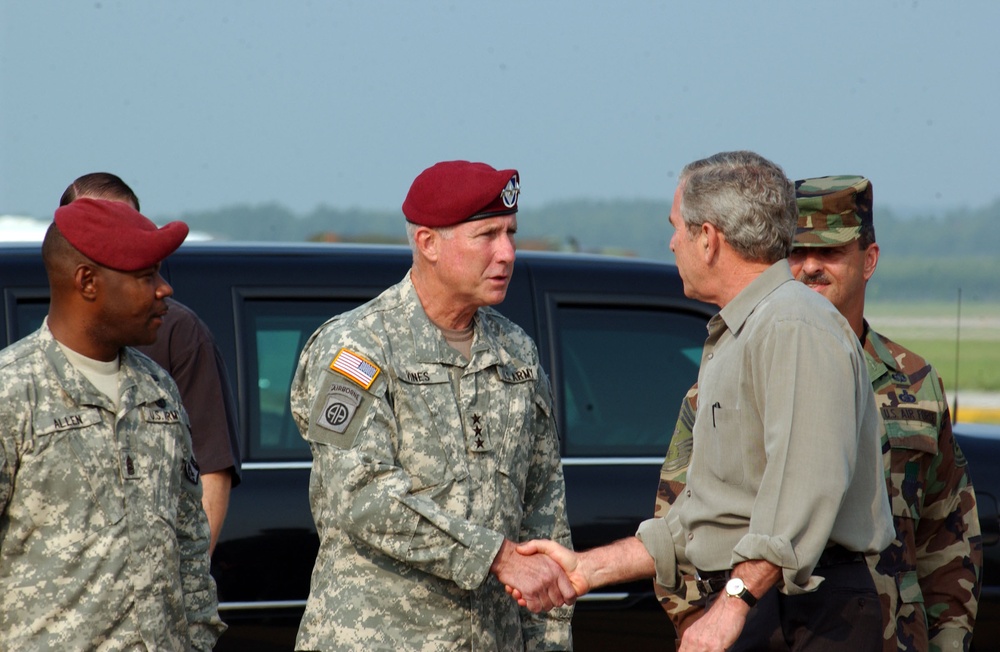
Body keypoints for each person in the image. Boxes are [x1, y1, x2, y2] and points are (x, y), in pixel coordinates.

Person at [514, 151, 894, 652]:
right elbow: (708, 519)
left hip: (805, 614)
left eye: (677, 227)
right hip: (766, 605)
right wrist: (587, 568)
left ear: (709, 239)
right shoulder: (742, 332)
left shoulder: (793, 325)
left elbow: (806, 488)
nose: (672, 243)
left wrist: (732, 605)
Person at [653, 176, 983, 651]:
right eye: (796, 252)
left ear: (868, 260)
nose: (809, 266)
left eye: (828, 252)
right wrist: (708, 626)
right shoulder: (722, 382)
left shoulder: (915, 384)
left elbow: (948, 533)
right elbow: (682, 521)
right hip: (769, 630)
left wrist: (948, 644)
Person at [289, 160, 575, 651]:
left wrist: (549, 642)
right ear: (428, 243)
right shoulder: (359, 347)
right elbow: (362, 495)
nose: (506, 253)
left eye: (511, 233)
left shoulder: (516, 352)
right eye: (486, 235)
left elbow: (544, 511)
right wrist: (495, 557)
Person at [0, 198, 225, 649]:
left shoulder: (158, 388)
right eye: (146, 276)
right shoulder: (13, 391)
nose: (165, 290)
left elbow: (189, 543)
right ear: (87, 282)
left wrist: (198, 638)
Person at [60, 172, 242, 554]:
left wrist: (188, 597)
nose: (161, 289)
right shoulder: (17, 385)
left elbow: (208, 474)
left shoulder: (166, 361)